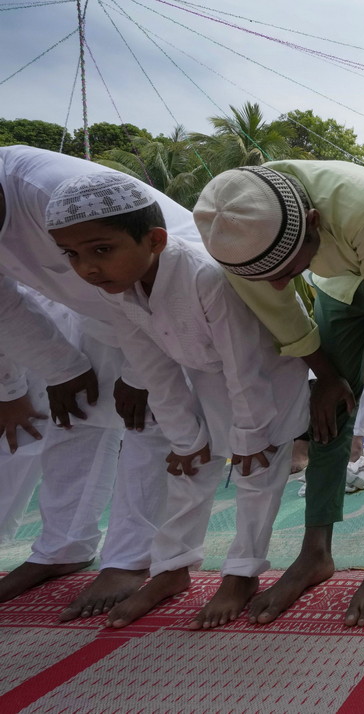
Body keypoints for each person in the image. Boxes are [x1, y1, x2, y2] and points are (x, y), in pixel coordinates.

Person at [45, 172, 309, 629]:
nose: (87, 268)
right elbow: (154, 369)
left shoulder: (205, 276)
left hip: (266, 377)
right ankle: (171, 568)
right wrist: (185, 438)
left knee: (256, 470)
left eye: (101, 250)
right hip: (206, 376)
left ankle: (242, 573)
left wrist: (249, 435)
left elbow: (244, 362)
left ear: (155, 239)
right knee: (187, 468)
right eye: (73, 255)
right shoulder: (118, 289)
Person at [193, 161, 364, 628]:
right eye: (270, 274)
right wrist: (324, 378)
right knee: (327, 412)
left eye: (288, 268)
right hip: (338, 287)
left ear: (314, 223)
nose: (280, 283)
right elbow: (281, 313)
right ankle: (315, 552)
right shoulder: (231, 235)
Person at [0, 145, 201, 620]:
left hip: (168, 298)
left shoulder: (48, 190)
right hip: (95, 309)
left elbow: (144, 268)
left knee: (146, 421)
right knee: (76, 414)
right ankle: (62, 548)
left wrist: (139, 372)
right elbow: (4, 307)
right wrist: (60, 367)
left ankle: (131, 560)